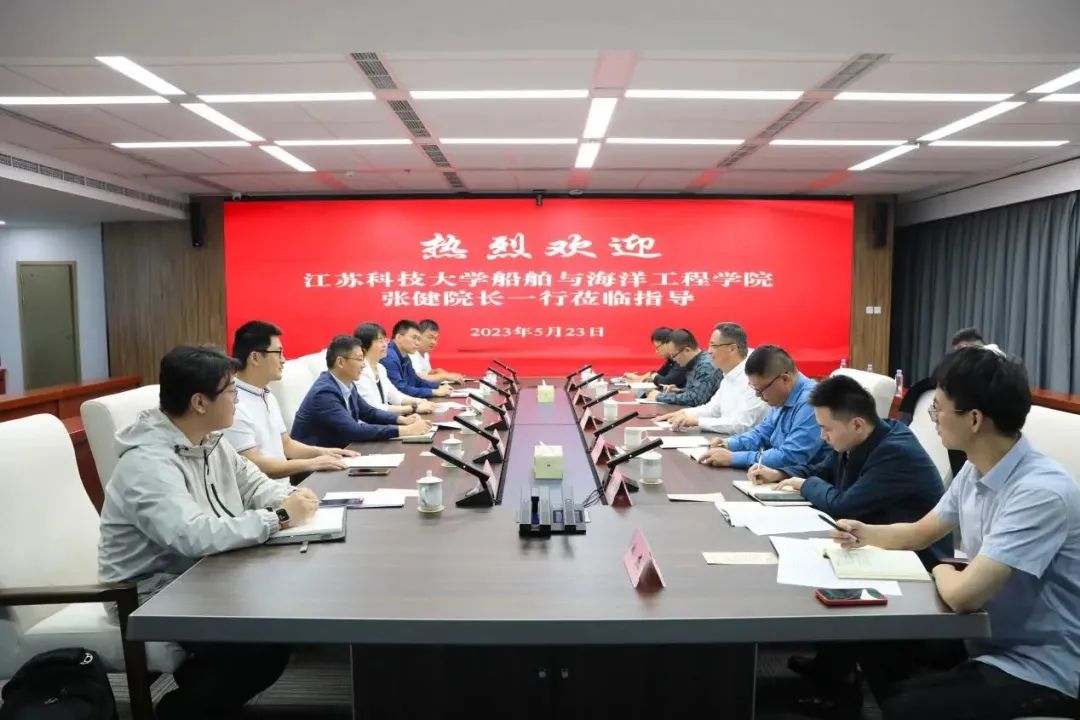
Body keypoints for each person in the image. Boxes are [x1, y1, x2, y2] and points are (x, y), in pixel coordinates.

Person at [832, 349, 1080, 720]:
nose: (933, 419)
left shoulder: (1040, 492)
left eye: (938, 409)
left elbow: (964, 596)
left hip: (1042, 666)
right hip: (985, 634)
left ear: (974, 419)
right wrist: (865, 533)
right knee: (873, 642)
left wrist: (940, 569)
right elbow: (920, 532)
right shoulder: (976, 469)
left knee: (907, 707)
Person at [98, 345, 319, 720]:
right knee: (263, 643)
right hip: (150, 590)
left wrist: (292, 499)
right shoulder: (147, 462)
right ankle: (182, 710)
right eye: (231, 391)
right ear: (199, 402)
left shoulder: (210, 441)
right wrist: (280, 517)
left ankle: (204, 696)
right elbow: (191, 534)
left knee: (276, 624)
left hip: (204, 573)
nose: (238, 399)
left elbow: (254, 485)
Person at [748, 374, 954, 717]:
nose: (822, 437)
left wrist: (804, 484)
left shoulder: (894, 451)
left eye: (826, 429)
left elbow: (843, 504)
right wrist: (783, 474)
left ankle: (840, 691)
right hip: (876, 543)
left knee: (822, 567)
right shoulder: (859, 440)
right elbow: (822, 470)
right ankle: (830, 667)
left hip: (916, 561)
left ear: (857, 424)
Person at [224, 320, 357, 480]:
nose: (283, 360)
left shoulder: (266, 394)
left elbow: (286, 444)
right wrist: (314, 463)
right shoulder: (233, 404)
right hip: (264, 493)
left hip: (284, 488)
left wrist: (324, 452)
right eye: (278, 353)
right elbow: (254, 464)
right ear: (255, 357)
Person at [292, 334, 433, 448]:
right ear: (340, 362)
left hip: (340, 452)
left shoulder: (345, 383)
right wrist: (406, 430)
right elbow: (354, 430)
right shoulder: (325, 392)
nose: (364, 365)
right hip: (315, 465)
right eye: (360, 359)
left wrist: (403, 420)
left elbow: (369, 412)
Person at [699, 345, 827, 469]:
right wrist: (728, 443)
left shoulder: (811, 402)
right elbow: (761, 434)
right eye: (755, 389)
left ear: (785, 379)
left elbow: (791, 457)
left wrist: (733, 458)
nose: (757, 395)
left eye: (761, 389)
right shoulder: (781, 397)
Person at [657, 322, 767, 434]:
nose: (709, 351)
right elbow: (712, 410)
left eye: (714, 346)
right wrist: (684, 413)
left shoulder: (754, 375)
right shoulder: (729, 373)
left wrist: (697, 421)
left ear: (732, 349)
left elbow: (741, 425)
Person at [354, 321, 437, 415]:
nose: (385, 345)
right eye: (380, 341)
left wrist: (419, 401)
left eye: (385, 340)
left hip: (384, 419)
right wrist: (413, 408)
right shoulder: (360, 371)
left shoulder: (380, 368)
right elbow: (373, 407)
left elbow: (394, 395)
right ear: (364, 346)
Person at [643, 329, 719, 407]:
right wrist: (679, 391)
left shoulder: (706, 365)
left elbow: (695, 399)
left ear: (687, 350)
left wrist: (659, 396)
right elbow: (695, 391)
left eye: (674, 355)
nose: (673, 359)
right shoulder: (694, 362)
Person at [381, 319, 452, 399]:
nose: (417, 343)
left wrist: (438, 386)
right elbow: (400, 389)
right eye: (414, 338)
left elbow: (416, 380)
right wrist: (433, 391)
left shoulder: (405, 355)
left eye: (419, 339)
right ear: (398, 337)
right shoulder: (389, 357)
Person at [412, 319, 465, 383]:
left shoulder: (425, 354)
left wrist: (436, 371)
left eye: (435, 338)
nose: (433, 342)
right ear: (418, 336)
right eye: (430, 337)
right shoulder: (411, 353)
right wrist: (445, 376)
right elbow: (417, 378)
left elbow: (425, 374)